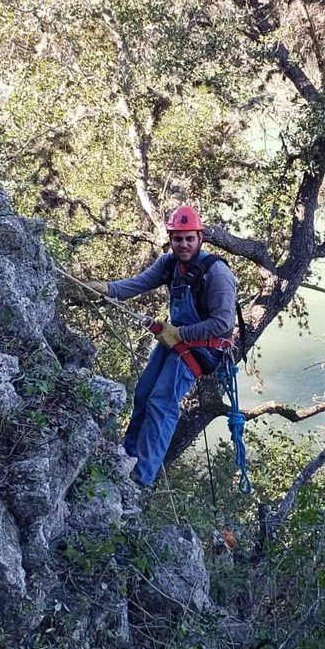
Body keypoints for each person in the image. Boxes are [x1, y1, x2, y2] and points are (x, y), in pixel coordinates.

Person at [86, 206, 237, 487]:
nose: (184, 244)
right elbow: (137, 284)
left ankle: (140, 479)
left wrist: (180, 333)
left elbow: (222, 324)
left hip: (202, 347)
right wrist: (105, 288)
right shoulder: (169, 265)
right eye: (178, 239)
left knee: (161, 402)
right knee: (144, 393)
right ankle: (127, 458)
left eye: (189, 238)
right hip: (175, 339)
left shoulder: (216, 274)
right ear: (171, 238)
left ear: (200, 237)